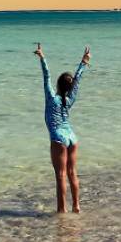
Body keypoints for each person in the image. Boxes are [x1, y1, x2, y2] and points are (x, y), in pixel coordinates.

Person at [34, 43, 91, 213]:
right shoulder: (70, 99)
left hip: (59, 137)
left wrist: (42, 57)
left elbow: (46, 77)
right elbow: (77, 80)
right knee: (72, 173)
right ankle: (77, 206)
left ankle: (62, 211)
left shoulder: (52, 97)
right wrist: (83, 62)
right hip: (72, 136)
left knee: (60, 176)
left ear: (58, 85)